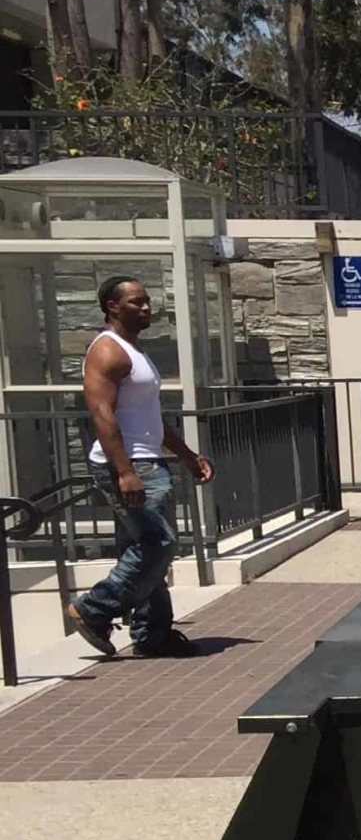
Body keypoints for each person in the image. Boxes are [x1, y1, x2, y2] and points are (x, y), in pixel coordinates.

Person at [64, 277, 212, 659]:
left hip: (148, 460)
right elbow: (102, 414)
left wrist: (186, 455)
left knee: (144, 550)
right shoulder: (107, 352)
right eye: (136, 303)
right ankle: (92, 609)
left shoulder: (135, 350)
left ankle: (153, 635)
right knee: (158, 544)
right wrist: (125, 471)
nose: (146, 308)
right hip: (129, 466)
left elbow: (150, 418)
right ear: (113, 307)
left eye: (147, 302)